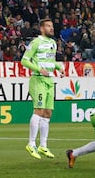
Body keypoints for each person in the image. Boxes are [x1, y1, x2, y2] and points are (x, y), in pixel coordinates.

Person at [21, 18, 65, 159]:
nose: (51, 28)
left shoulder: (52, 43)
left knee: (47, 113)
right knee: (39, 111)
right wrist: (39, 69)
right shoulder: (36, 42)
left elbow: (51, 62)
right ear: (41, 28)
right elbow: (24, 61)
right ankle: (31, 143)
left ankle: (43, 146)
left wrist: (59, 67)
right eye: (48, 26)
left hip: (49, 81)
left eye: (52, 26)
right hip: (38, 80)